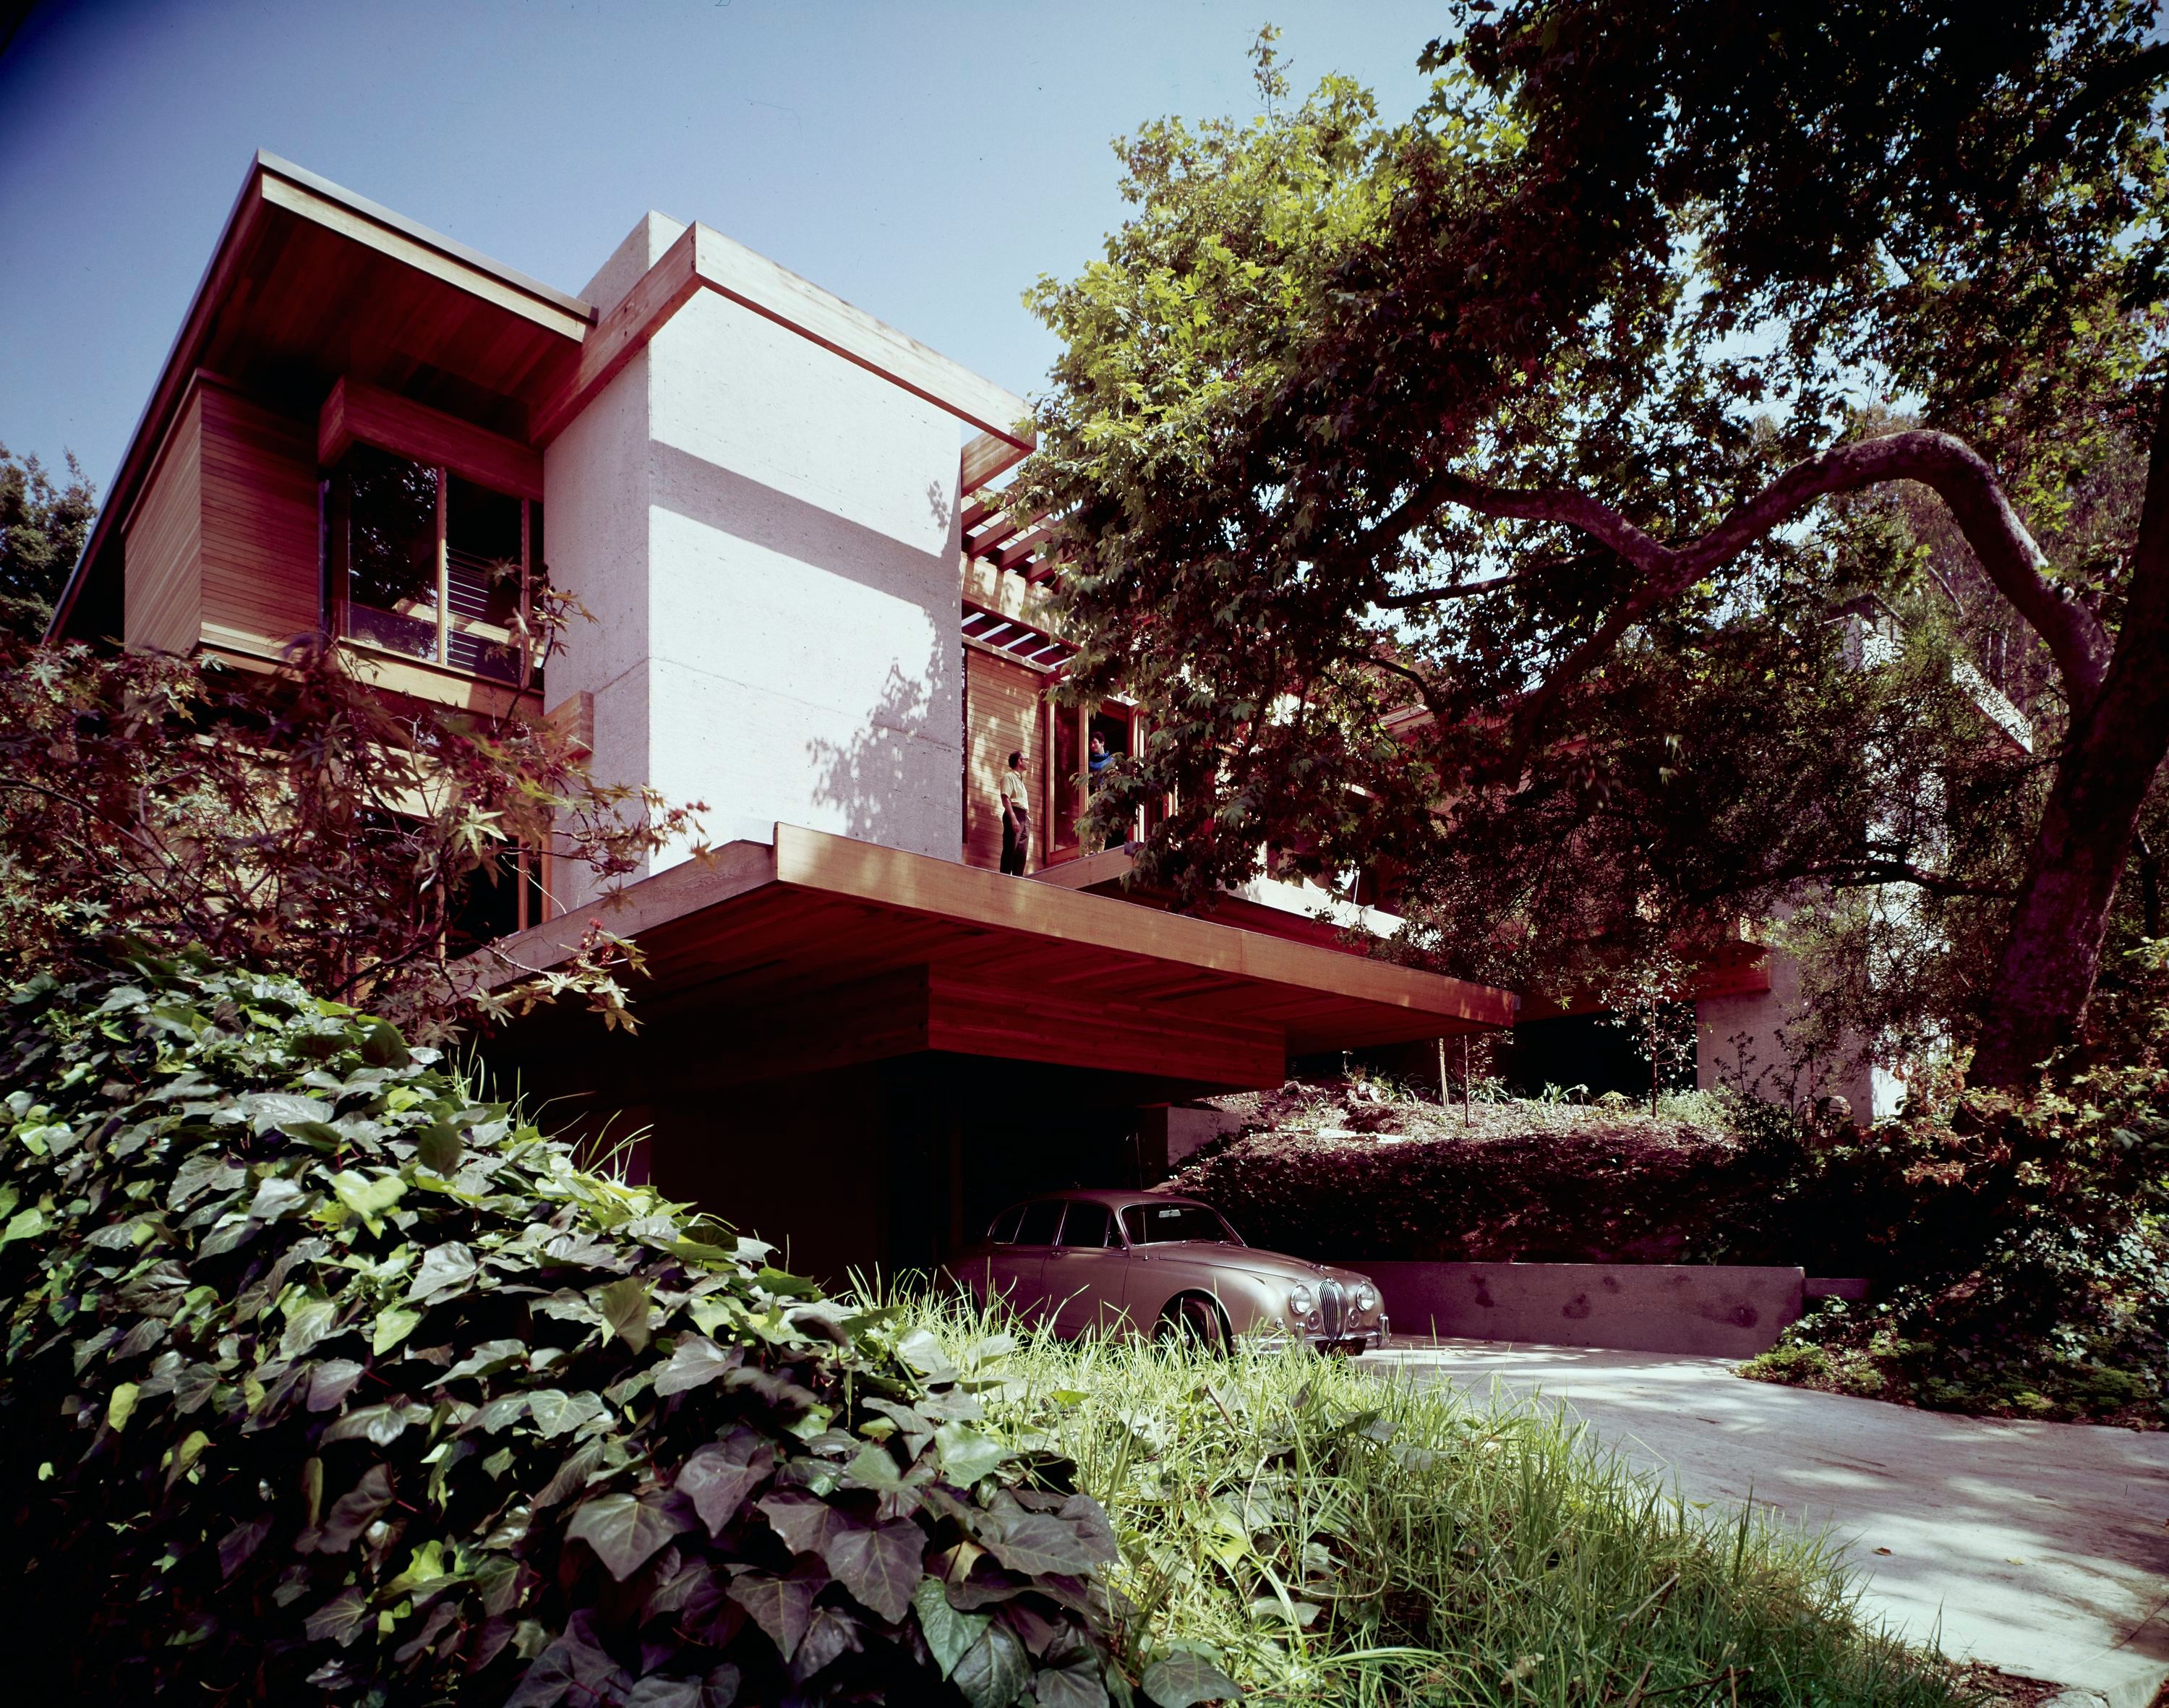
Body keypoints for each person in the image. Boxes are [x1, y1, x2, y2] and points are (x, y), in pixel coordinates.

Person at [998, 748, 1031, 875]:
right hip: (1014, 814)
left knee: (1022, 853)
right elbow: (1005, 798)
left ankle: (1018, 880)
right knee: (1010, 848)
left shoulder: (1020, 780)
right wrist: (1013, 818)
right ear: (1019, 761)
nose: (1028, 762)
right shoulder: (1009, 777)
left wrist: (1026, 818)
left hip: (1024, 816)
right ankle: (1004, 878)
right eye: (1026, 759)